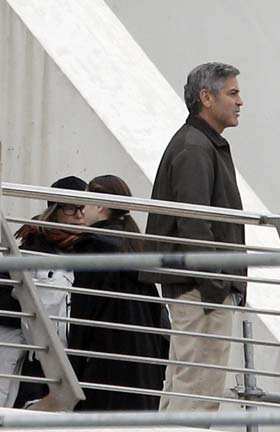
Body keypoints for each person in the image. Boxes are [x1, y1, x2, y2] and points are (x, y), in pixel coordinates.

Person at [140, 62, 247, 411]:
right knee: (198, 396)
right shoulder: (196, 148)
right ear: (206, 97)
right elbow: (194, 224)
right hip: (201, 290)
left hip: (196, 286)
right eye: (232, 93)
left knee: (185, 389)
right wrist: (216, 285)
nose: (240, 102)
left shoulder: (198, 144)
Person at [65, 175, 168, 410]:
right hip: (143, 373)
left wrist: (73, 374)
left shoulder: (94, 249)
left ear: (100, 206)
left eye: (85, 202)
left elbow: (83, 317)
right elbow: (158, 315)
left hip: (105, 371)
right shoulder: (134, 247)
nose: (82, 210)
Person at [1, 176, 87, 408]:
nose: (79, 215)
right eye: (70, 208)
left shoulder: (95, 250)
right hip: (35, 358)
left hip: (78, 358)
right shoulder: (32, 249)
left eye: (83, 207)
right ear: (55, 211)